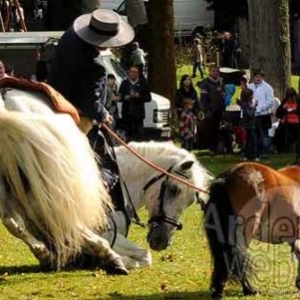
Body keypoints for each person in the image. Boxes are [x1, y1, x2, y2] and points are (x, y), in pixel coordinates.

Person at [47, 9, 135, 218]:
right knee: (107, 165)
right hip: (78, 118)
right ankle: (94, 207)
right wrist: (104, 114)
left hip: (54, 103)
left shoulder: (69, 37)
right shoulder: (96, 66)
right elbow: (91, 102)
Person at [118, 65, 151, 141]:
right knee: (127, 135)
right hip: (126, 114)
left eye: (135, 72)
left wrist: (138, 96)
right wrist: (125, 97)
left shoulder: (143, 84)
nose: (133, 73)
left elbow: (148, 98)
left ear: (138, 74)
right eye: (132, 72)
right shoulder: (124, 83)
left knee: (138, 135)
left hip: (138, 114)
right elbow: (119, 96)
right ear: (129, 73)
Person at [198, 65, 225, 154]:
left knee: (218, 130)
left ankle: (218, 148)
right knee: (210, 130)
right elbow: (203, 99)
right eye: (213, 71)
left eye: (217, 71)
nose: (215, 73)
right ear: (210, 72)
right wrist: (206, 111)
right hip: (210, 111)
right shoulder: (205, 83)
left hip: (219, 110)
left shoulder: (220, 83)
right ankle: (211, 148)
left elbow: (223, 95)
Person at [248, 69, 274, 159]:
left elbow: (270, 101)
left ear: (262, 77)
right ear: (253, 77)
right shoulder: (249, 86)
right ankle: (254, 152)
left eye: (260, 77)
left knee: (264, 134)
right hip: (253, 115)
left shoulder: (268, 87)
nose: (258, 78)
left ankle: (264, 152)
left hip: (264, 114)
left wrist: (261, 108)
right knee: (254, 134)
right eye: (256, 77)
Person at [275, 87, 300, 153]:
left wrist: (294, 111)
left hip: (297, 123)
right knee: (279, 131)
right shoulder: (285, 101)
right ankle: (282, 149)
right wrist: (285, 109)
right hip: (287, 123)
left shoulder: (298, 101)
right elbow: (278, 113)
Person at [238, 88, 257, 160]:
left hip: (248, 125)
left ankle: (249, 154)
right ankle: (249, 155)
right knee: (250, 140)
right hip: (248, 125)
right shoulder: (246, 105)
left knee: (249, 140)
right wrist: (254, 107)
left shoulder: (246, 104)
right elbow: (249, 114)